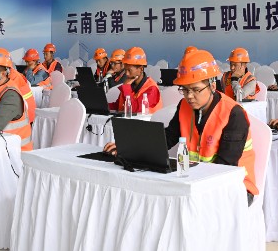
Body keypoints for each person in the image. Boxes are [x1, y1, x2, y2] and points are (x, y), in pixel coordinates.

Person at [106, 49, 258, 205]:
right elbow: (167, 138)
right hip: (196, 179)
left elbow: (224, 168)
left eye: (196, 89)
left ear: (212, 85)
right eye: (184, 89)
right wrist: (130, 148)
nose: (189, 96)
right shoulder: (184, 106)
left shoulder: (233, 114)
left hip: (236, 187)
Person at [108, 47, 162, 114]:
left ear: (141, 69)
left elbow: (134, 110)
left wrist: (126, 87)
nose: (127, 73)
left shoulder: (152, 88)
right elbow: (118, 106)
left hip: (145, 121)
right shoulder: (130, 84)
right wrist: (102, 106)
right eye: (125, 70)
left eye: (129, 70)